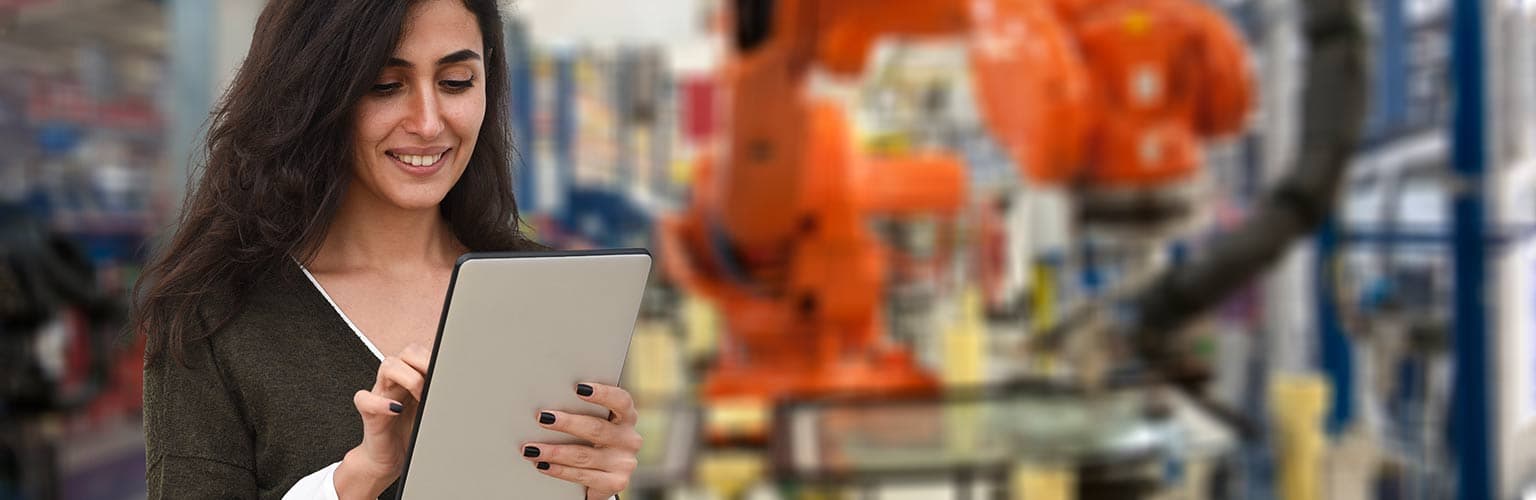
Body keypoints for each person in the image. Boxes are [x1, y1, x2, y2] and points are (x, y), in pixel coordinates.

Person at [132, 1, 641, 498]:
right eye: (386, 85)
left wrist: (597, 490)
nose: (428, 122)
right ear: (313, 94)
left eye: (456, 82)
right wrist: (353, 482)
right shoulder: (213, 317)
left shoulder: (552, 293)